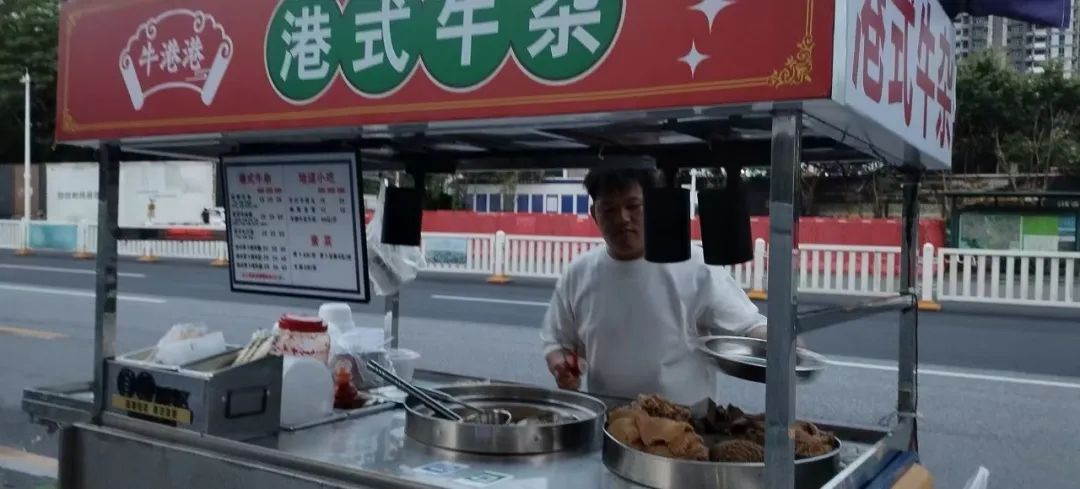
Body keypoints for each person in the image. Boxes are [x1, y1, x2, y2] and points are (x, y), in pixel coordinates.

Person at [540, 168, 770, 405]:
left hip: (687, 429)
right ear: (594, 214)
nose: (622, 218)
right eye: (609, 209)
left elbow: (749, 327)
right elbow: (557, 342)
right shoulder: (577, 274)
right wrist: (562, 365)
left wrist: (776, 341)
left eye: (633, 206)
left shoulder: (695, 266)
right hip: (611, 425)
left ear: (653, 206)